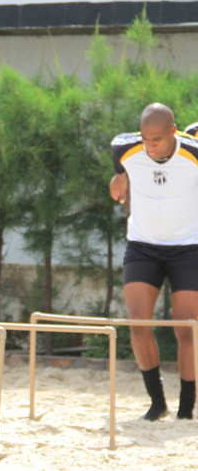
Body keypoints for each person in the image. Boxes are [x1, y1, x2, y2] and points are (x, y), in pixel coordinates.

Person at [110, 102, 198, 420]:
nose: (150, 146)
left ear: (173, 132)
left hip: (188, 248)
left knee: (187, 328)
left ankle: (187, 405)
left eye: (157, 140)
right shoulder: (125, 147)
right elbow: (118, 158)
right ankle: (157, 402)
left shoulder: (193, 153)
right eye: (145, 139)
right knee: (137, 321)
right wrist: (119, 177)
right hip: (143, 247)